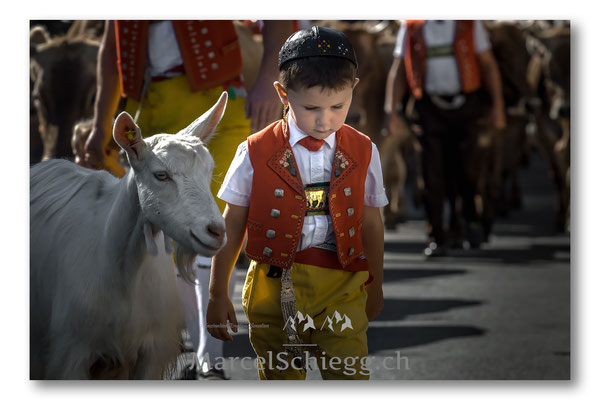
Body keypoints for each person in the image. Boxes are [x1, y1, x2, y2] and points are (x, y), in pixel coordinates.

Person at [81, 20, 291, 379]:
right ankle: (183, 348)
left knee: (208, 225)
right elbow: (111, 44)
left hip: (216, 101)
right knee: (161, 242)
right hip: (148, 104)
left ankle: (210, 359)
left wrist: (269, 80)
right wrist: (101, 123)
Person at [206, 26, 388, 380]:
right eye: (311, 108)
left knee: (349, 376)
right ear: (283, 93)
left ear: (354, 88)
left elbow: (371, 223)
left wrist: (376, 283)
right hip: (271, 290)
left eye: (338, 106)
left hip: (342, 286)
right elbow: (232, 221)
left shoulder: (365, 150)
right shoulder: (254, 150)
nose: (326, 120)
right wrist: (217, 293)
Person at [384, 20, 506, 257]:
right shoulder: (411, 28)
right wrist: (392, 112)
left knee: (468, 168)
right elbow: (399, 68)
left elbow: (487, 64)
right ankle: (437, 235)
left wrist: (498, 107)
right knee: (431, 173)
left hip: (467, 106)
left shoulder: (469, 24)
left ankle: (468, 220)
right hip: (428, 108)